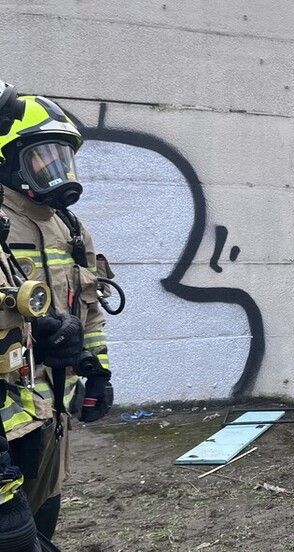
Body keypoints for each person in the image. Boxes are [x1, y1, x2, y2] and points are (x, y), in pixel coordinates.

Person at [0, 80, 113, 541]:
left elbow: (90, 306)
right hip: (9, 415)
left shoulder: (68, 226)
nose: (56, 171)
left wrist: (98, 370)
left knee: (45, 508)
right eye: (41, 157)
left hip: (56, 404)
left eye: (62, 158)